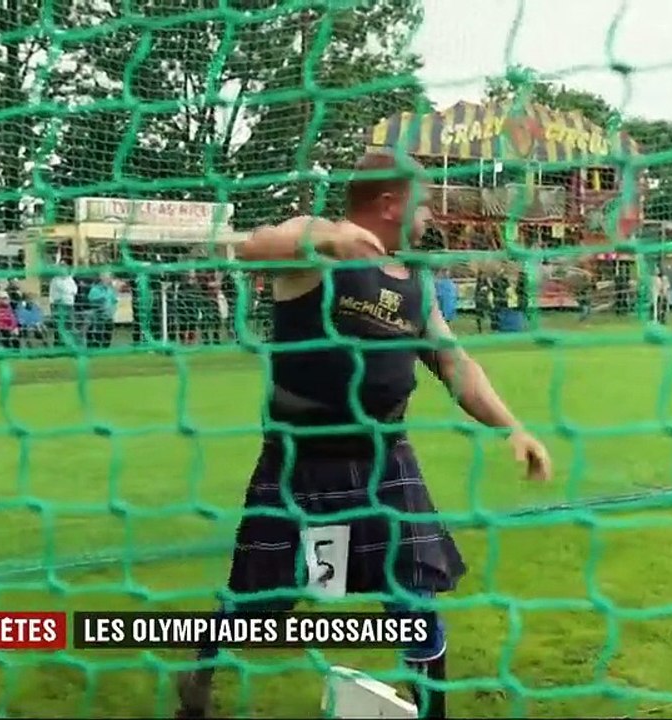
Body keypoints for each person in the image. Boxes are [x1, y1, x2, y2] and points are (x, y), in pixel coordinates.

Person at [175, 152, 552, 720]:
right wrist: (329, 244)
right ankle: (200, 672)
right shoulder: (313, 241)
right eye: (423, 204)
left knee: (413, 597)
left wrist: (513, 428)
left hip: (384, 461)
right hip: (300, 459)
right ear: (390, 203)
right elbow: (252, 248)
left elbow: (456, 367)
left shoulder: (416, 286)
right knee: (262, 596)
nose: (428, 217)